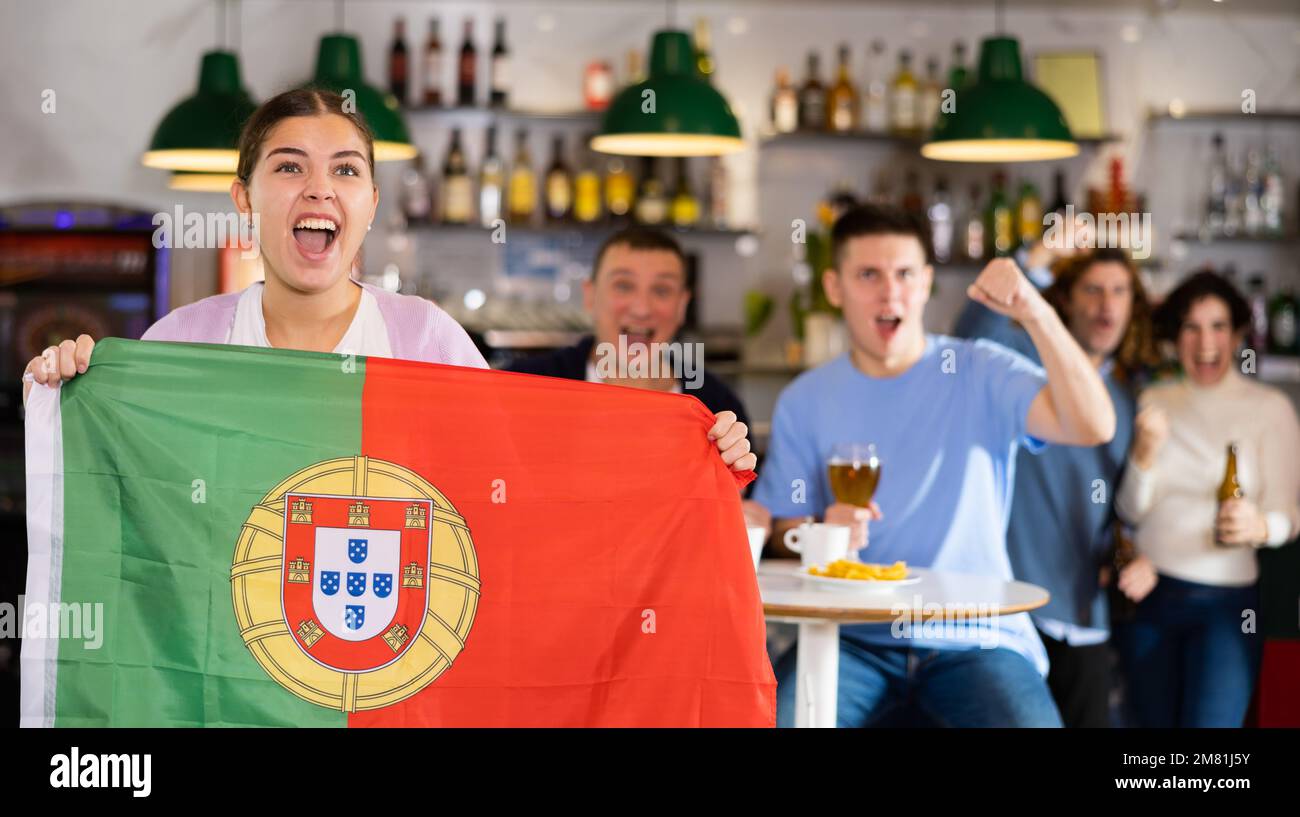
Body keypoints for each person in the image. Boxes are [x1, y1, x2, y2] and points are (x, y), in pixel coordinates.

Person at [22, 88, 755, 474]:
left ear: (370, 204)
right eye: (288, 166)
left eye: (345, 169)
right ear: (243, 198)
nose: (319, 189)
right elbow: (116, 492)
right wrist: (70, 387)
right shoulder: (178, 343)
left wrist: (686, 448)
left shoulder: (428, 338)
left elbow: (525, 477)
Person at [753, 204, 1116, 728]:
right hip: (850, 637)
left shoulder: (980, 369)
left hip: (976, 636)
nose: (889, 292)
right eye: (868, 275)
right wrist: (818, 532)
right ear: (834, 288)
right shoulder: (805, 399)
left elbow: (1093, 424)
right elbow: (784, 528)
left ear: (926, 284)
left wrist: (1035, 311)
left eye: (904, 274)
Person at [961, 248, 1156, 728]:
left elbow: (1119, 510)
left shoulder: (1131, 400)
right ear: (1065, 301)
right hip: (1011, 609)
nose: (1106, 305)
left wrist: (1137, 556)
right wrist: (1037, 260)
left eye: (1119, 291)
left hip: (1084, 616)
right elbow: (971, 334)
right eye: (1092, 290)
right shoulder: (1025, 363)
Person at [1114, 270, 1300, 728]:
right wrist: (1142, 455)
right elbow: (1128, 511)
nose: (1204, 343)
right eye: (1191, 328)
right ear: (1174, 338)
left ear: (1238, 335)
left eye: (1218, 327)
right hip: (1150, 598)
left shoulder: (1269, 409)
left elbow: (1290, 516)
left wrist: (1260, 527)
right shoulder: (1153, 400)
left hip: (1229, 606)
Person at [508, 226, 765, 529]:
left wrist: (736, 492)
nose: (642, 308)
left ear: (682, 306)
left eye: (661, 290)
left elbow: (734, 513)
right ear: (590, 296)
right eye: (623, 286)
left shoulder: (717, 405)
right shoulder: (525, 387)